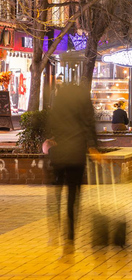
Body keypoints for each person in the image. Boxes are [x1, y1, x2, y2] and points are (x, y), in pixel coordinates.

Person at [45, 83, 101, 249]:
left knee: (55, 193)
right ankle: (69, 237)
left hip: (59, 151)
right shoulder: (84, 100)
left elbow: (50, 123)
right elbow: (90, 125)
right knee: (73, 196)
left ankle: (54, 232)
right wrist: (93, 147)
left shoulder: (59, 101)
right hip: (76, 153)